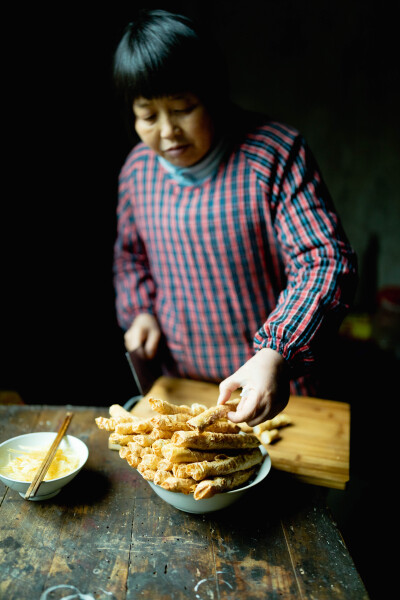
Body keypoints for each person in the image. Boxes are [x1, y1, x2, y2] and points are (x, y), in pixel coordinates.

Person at [112, 9, 357, 426]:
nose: (168, 131)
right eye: (148, 116)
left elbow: (324, 260)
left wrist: (277, 351)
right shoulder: (137, 171)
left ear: (214, 94)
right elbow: (130, 257)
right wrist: (141, 312)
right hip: (183, 388)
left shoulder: (274, 154)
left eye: (183, 108)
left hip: (277, 387)